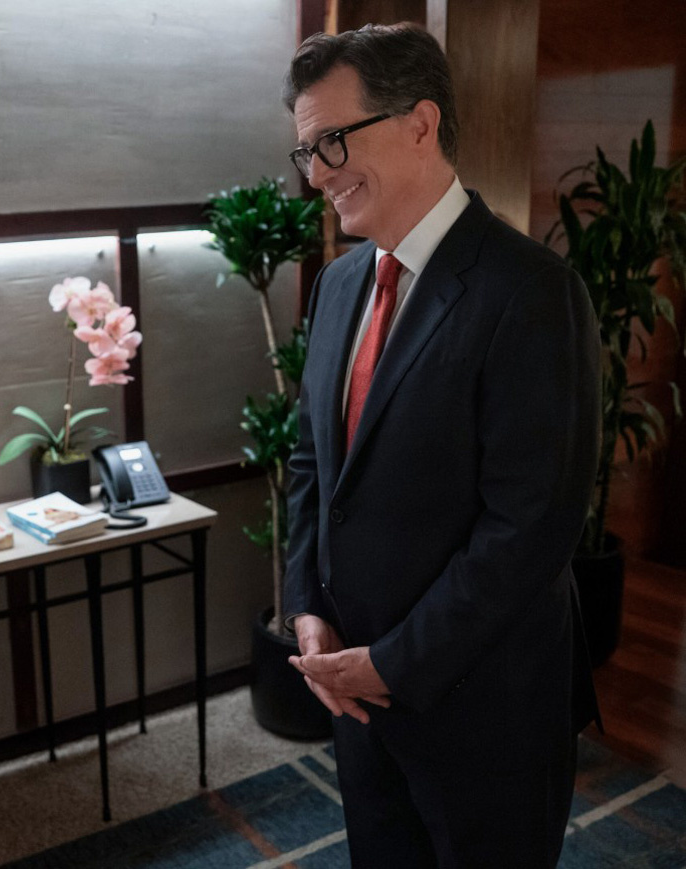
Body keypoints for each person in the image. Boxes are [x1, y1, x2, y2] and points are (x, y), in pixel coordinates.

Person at [280, 24, 601, 868]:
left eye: (333, 141)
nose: (316, 174)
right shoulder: (338, 284)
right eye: (307, 151)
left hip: (487, 709)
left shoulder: (532, 292)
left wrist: (395, 662)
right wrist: (306, 607)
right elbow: (312, 466)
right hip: (359, 700)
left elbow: (530, 527)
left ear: (420, 123)